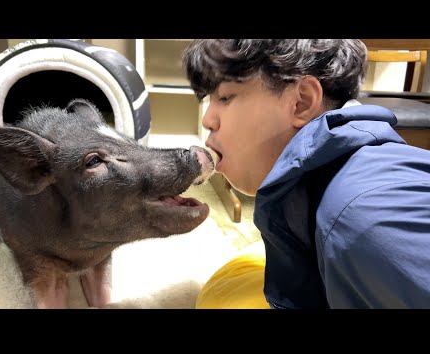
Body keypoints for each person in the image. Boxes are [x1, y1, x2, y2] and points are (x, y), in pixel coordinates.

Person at [182, 39, 430, 309]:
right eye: (209, 99)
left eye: (226, 97)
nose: (208, 119)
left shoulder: (363, 216)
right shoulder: (312, 201)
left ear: (301, 102)